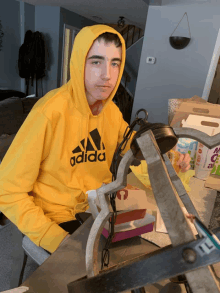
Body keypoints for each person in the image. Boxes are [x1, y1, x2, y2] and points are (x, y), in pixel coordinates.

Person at [0, 24, 190, 254]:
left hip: (97, 206)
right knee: (93, 275)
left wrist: (169, 158)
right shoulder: (48, 113)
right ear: (79, 63)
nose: (107, 75)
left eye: (115, 63)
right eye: (96, 61)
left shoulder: (111, 112)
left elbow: (134, 151)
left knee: (148, 251)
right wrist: (53, 239)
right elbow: (7, 191)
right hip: (55, 214)